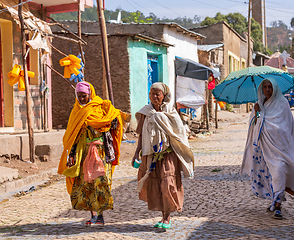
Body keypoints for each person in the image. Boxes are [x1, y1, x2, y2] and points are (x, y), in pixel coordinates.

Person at [58, 81, 129, 225]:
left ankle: (101, 216)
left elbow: (113, 122)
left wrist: (112, 117)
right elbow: (72, 135)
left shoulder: (101, 107)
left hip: (101, 152)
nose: (81, 99)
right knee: (86, 183)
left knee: (101, 182)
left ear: (90, 94)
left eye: (84, 96)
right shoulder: (76, 111)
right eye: (79, 96)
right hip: (83, 153)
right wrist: (71, 154)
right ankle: (93, 216)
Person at [241, 78, 294, 220]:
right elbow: (256, 124)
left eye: (270, 87)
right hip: (264, 149)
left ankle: (278, 205)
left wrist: (267, 125)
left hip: (280, 148)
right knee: (270, 176)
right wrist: (257, 113)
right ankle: (274, 201)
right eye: (265, 87)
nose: (267, 90)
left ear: (275, 89)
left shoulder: (282, 104)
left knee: (279, 171)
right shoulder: (260, 104)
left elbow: (286, 127)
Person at [132, 82, 194, 229]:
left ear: (164, 95)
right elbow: (141, 135)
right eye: (151, 93)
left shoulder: (171, 113)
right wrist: (137, 152)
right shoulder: (145, 113)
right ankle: (163, 215)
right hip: (151, 154)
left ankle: (167, 217)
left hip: (168, 155)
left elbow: (179, 134)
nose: (154, 96)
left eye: (157, 94)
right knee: (156, 185)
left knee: (167, 184)